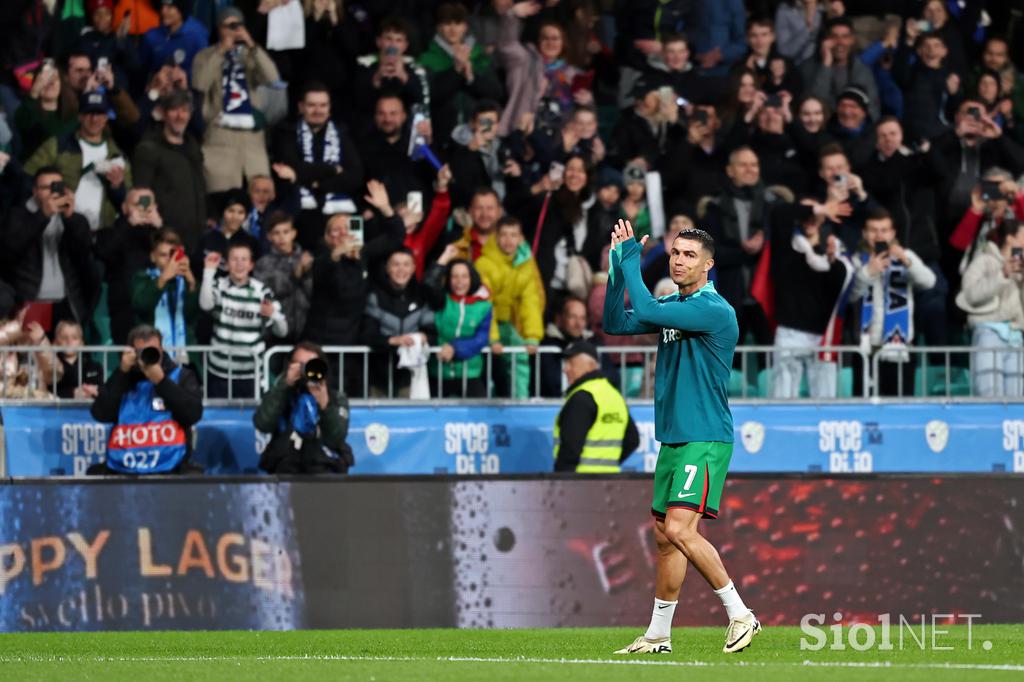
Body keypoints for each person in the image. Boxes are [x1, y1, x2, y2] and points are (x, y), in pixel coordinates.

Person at [603, 219, 759, 655]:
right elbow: (615, 322)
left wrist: (634, 259)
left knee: (680, 528)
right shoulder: (675, 305)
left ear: (708, 265)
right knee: (665, 536)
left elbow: (648, 312)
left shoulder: (713, 309)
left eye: (689, 255)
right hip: (674, 437)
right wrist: (619, 268)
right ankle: (657, 634)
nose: (678, 260)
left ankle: (741, 614)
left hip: (704, 436)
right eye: (674, 252)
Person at [89, 324, 203, 474]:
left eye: (153, 351)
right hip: (123, 468)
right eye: (141, 352)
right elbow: (101, 413)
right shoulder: (123, 378)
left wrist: (162, 382)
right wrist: (122, 372)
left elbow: (193, 414)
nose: (147, 357)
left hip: (171, 467)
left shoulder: (181, 376)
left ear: (161, 350)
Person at [191, 6, 280, 194]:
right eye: (228, 25)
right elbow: (199, 83)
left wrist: (251, 44)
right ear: (219, 29)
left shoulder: (251, 54)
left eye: (237, 25)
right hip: (219, 140)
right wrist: (221, 50)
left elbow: (272, 78)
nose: (234, 30)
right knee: (224, 202)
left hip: (252, 143)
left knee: (258, 202)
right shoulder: (205, 56)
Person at [850, 208, 936, 397]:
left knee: (900, 411)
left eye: (884, 230)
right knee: (865, 411)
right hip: (867, 350)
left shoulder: (906, 256)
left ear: (892, 233)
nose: (879, 235)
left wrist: (906, 261)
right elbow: (851, 296)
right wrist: (868, 272)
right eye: (873, 230)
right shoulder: (857, 260)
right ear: (865, 233)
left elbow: (929, 282)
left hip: (899, 349)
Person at [770, 202, 852, 399]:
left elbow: (839, 293)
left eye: (815, 216)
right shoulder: (786, 248)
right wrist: (818, 208)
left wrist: (833, 262)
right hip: (790, 332)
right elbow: (779, 211)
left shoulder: (834, 252)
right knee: (782, 402)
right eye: (806, 214)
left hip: (824, 336)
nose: (810, 219)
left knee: (826, 404)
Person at [2, 167, 98, 330]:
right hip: (31, 299)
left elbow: (84, 253)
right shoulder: (17, 215)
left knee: (67, 351)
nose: (53, 192)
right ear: (35, 191)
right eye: (47, 187)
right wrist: (43, 215)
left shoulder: (76, 219)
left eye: (58, 186)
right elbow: (10, 250)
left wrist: (70, 218)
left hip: (66, 300)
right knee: (32, 352)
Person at [23, 90, 132, 232]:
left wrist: (117, 187)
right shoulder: (58, 145)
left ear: (106, 117)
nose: (94, 119)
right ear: (80, 116)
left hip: (101, 234)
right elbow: (27, 176)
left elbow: (128, 203)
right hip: (60, 231)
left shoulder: (117, 156)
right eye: (89, 113)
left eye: (99, 113)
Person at [272, 82, 364, 250]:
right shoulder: (286, 133)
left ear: (329, 108)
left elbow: (356, 176)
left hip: (345, 210)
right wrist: (332, 169)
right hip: (303, 214)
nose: (318, 110)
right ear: (301, 107)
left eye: (323, 105)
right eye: (312, 105)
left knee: (356, 246)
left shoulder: (342, 132)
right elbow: (291, 168)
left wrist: (318, 184)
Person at [199, 243, 287, 399]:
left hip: (250, 374)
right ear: (226, 264)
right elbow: (205, 305)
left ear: (251, 264)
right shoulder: (219, 285)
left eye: (244, 259)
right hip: (219, 370)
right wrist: (208, 272)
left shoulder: (262, 291)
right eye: (234, 259)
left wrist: (274, 315)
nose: (239, 264)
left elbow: (282, 332)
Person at [253, 341, 354, 474]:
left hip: (323, 467)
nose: (305, 370)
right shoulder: (281, 392)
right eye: (300, 365)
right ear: (289, 365)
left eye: (311, 365)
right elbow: (263, 424)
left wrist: (325, 405)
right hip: (286, 466)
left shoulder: (335, 398)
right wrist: (284, 385)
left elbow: (335, 440)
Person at [476, 216, 545, 398]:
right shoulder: (484, 264)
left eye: (513, 235)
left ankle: (520, 404)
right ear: (496, 237)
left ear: (520, 238)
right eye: (504, 235)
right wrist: (492, 339)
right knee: (484, 365)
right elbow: (484, 303)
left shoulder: (525, 264)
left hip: (507, 324)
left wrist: (532, 337)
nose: (508, 240)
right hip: (481, 325)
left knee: (520, 356)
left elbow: (530, 302)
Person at [132, 89, 207, 250]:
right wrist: (157, 228)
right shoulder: (148, 149)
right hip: (163, 241)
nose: (180, 116)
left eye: (184, 110)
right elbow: (142, 194)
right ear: (163, 113)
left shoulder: (192, 146)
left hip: (195, 236)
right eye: (174, 110)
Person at [958, 219, 1024, 397]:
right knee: (989, 394)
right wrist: (1002, 274)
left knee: (1018, 398)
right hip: (988, 333)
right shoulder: (984, 259)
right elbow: (970, 295)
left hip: (1015, 336)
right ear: (1011, 239)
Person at [361, 248, 436, 398]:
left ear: (414, 268)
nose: (401, 270)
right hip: (378, 375)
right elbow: (367, 334)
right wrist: (394, 341)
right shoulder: (375, 296)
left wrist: (423, 337)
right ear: (387, 268)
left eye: (406, 264)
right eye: (396, 264)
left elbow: (432, 333)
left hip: (410, 377)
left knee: (409, 420)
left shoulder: (422, 296)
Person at [553, 340, 639, 472]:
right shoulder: (615, 395)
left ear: (590, 365)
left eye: (570, 363)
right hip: (609, 483)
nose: (565, 369)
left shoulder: (581, 398)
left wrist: (561, 483)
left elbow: (570, 452)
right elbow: (632, 440)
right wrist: (607, 465)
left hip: (579, 484)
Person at [425, 247, 494, 398]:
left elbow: (481, 338)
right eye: (454, 277)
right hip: (438, 372)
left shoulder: (484, 306)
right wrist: (445, 256)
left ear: (472, 278)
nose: (459, 282)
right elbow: (430, 282)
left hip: (470, 373)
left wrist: (454, 348)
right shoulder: (442, 300)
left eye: (464, 277)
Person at [131, 228, 199, 356]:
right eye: (163, 255)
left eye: (172, 254)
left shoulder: (186, 282)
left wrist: (191, 283)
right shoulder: (142, 278)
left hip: (183, 358)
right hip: (152, 357)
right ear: (152, 257)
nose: (169, 260)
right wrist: (163, 279)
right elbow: (141, 306)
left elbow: (192, 316)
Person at [253, 214, 313, 344]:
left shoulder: (307, 260)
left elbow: (315, 295)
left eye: (286, 232)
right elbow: (267, 295)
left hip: (306, 334)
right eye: (276, 233)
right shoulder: (263, 263)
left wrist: (307, 274)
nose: (281, 237)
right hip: (275, 333)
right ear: (269, 236)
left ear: (293, 233)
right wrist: (295, 276)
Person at [540, 296, 594, 398]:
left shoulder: (593, 343)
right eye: (573, 317)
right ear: (559, 318)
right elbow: (551, 383)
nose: (578, 323)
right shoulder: (548, 346)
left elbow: (610, 376)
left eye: (582, 318)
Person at [139, 0, 209, 76]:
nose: (163, 11)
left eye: (169, 7)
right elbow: (142, 71)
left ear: (181, 9)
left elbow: (203, 72)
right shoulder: (151, 36)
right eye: (162, 6)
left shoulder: (197, 35)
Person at [51, 320, 103, 399]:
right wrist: (72, 393)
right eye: (64, 337)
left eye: (74, 337)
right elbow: (47, 392)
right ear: (55, 342)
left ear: (82, 343)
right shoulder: (50, 368)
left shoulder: (94, 367)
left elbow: (99, 390)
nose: (69, 341)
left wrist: (89, 391)